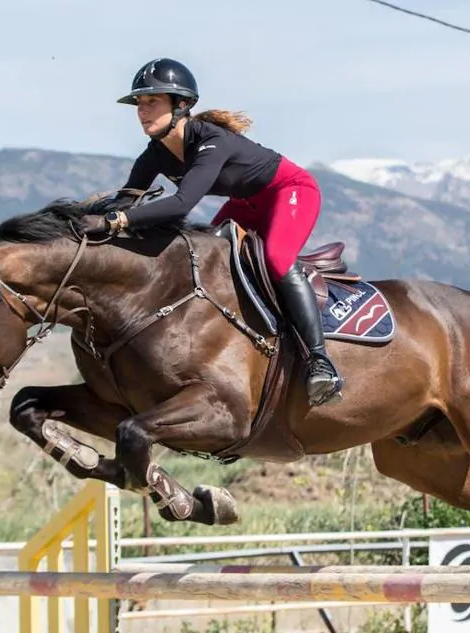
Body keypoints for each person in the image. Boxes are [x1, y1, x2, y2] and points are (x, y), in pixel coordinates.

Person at [80, 57, 343, 407]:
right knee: (205, 255)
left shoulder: (211, 141)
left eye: (152, 102)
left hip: (290, 191)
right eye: (139, 104)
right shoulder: (154, 154)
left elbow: (181, 203)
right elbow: (129, 198)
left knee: (277, 259)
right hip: (245, 203)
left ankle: (319, 361)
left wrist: (118, 221)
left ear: (182, 105)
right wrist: (88, 218)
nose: (142, 111)